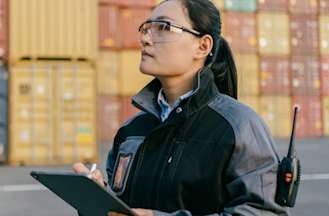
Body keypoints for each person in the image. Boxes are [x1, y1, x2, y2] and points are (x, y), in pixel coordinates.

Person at [74, 0, 290, 215]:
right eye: (146, 28)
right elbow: (123, 208)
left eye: (164, 27)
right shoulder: (131, 131)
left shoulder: (239, 127)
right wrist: (99, 199)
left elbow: (265, 212)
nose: (145, 39)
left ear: (203, 46)